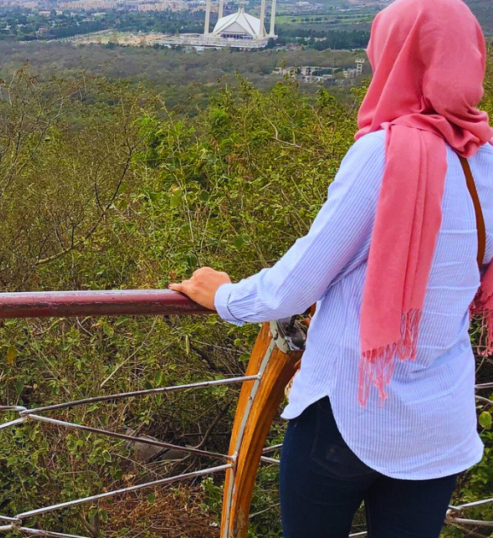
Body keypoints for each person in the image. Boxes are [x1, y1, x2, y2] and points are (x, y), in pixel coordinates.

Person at [168, 0, 493, 536]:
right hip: (438, 427)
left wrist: (224, 294)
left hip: (347, 415)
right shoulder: (485, 160)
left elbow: (296, 285)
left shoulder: (384, 155)